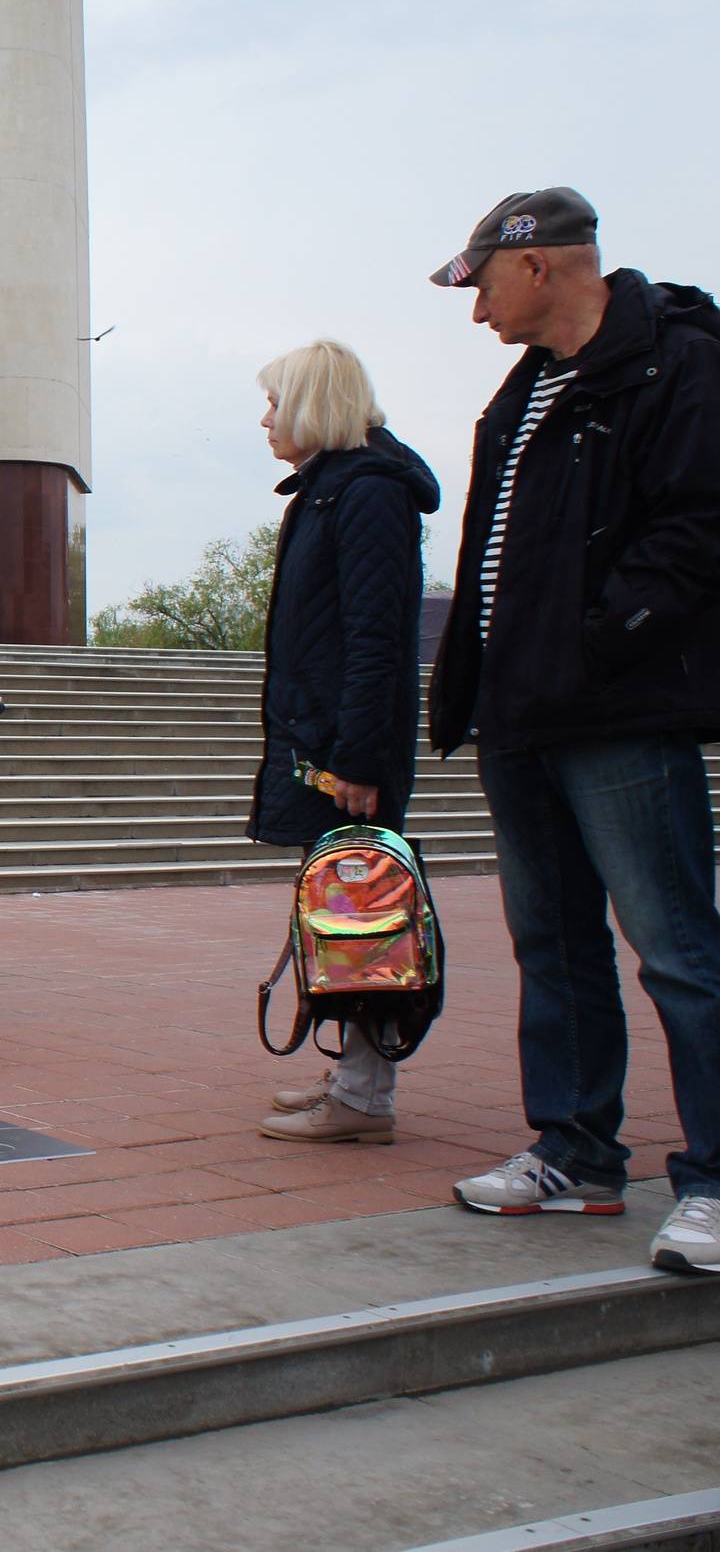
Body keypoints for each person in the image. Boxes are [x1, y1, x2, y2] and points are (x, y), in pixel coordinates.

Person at [422, 188, 720, 1275]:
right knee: (551, 943)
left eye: (482, 284)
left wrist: (596, 642)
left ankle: (715, 1182)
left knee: (679, 950)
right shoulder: (524, 393)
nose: (474, 311)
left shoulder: (675, 360)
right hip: (522, 714)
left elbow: (695, 532)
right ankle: (577, 1152)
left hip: (620, 713)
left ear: (537, 266)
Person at [238, 342, 443, 1145]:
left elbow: (375, 638)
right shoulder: (331, 493)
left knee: (363, 915)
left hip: (345, 755)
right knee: (343, 914)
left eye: (275, 402)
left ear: (314, 403)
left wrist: (356, 758)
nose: (264, 419)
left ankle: (365, 1093)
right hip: (323, 746)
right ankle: (356, 1074)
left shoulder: (364, 496)